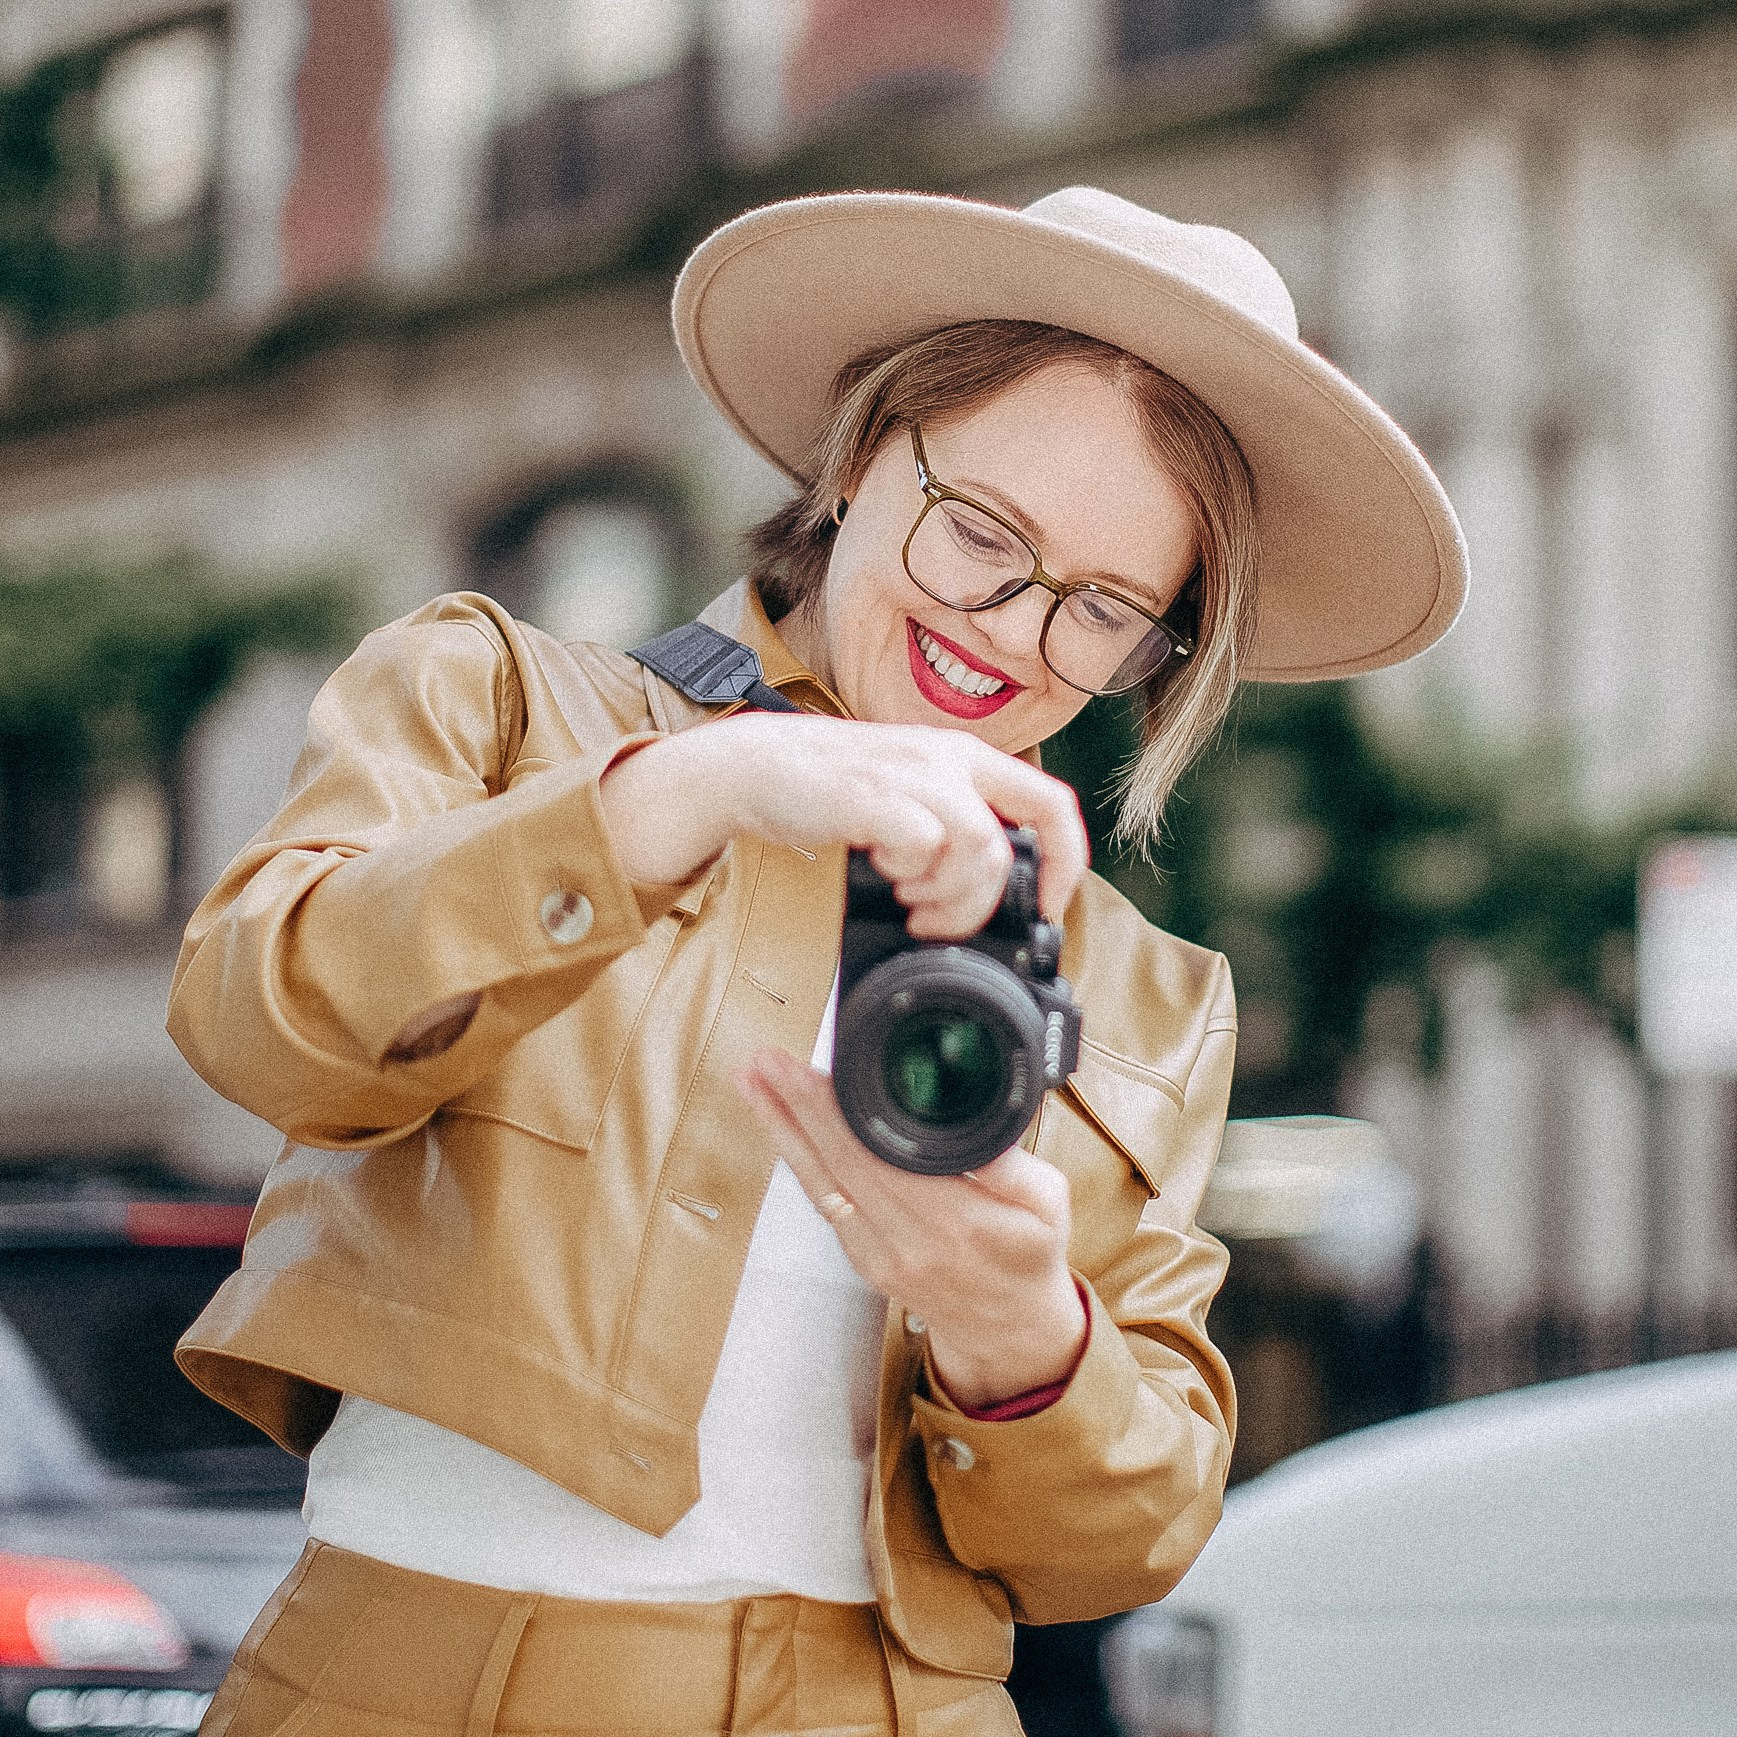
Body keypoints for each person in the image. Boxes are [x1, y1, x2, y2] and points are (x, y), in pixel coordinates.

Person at [168, 188, 1465, 1737]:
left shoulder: (1141, 995)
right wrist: (688, 796)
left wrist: (1020, 1336)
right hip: (414, 1679)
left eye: (1105, 608)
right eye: (981, 530)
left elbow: (1117, 1543)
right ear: (860, 458)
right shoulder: (498, 704)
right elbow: (262, 1016)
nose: (1009, 628)